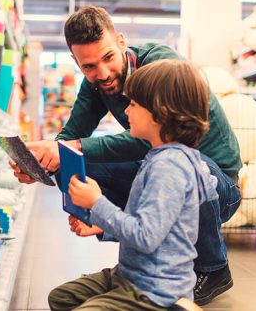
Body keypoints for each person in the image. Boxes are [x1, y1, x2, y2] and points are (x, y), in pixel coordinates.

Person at [11, 5, 241, 305]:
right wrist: (43, 161)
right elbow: (71, 135)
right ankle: (128, 248)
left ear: (121, 41)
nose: (102, 74)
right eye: (89, 66)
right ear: (77, 62)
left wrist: (73, 148)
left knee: (190, 165)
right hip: (162, 168)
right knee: (78, 163)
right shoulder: (95, 83)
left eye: (107, 57)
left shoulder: (161, 69)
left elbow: (153, 144)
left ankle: (213, 268)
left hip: (217, 183)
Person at [48, 59, 219, 310]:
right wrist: (101, 227)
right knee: (61, 298)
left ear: (160, 113)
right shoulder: (159, 158)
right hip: (131, 274)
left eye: (134, 104)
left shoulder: (169, 168)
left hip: (155, 290)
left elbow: (146, 237)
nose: (126, 111)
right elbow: (152, 225)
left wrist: (97, 203)